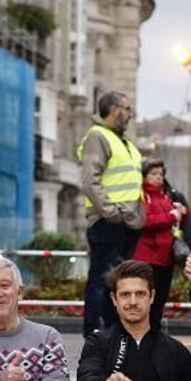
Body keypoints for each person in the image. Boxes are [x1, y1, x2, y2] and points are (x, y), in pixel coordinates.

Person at [79, 91, 143, 335]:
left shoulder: (124, 142)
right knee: (100, 280)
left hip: (127, 223)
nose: (130, 114)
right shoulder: (98, 136)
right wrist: (110, 212)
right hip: (109, 222)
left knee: (114, 282)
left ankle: (111, 331)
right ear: (114, 109)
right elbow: (89, 180)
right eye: (127, 109)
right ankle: (93, 330)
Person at [131, 159, 188, 331]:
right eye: (154, 174)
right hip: (146, 257)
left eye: (161, 174)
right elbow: (145, 221)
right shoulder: (141, 195)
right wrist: (172, 216)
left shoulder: (166, 196)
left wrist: (182, 213)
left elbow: (176, 223)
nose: (158, 178)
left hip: (166, 257)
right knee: (143, 299)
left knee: (159, 300)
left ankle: (153, 335)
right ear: (144, 176)